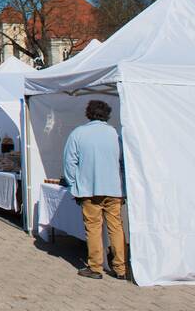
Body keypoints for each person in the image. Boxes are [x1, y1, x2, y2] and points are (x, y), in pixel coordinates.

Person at [63, 100, 127, 280]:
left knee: (93, 228)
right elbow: (123, 163)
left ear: (88, 113)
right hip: (114, 188)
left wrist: (73, 184)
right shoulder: (115, 134)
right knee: (116, 228)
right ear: (107, 114)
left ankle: (96, 267)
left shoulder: (78, 133)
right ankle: (120, 268)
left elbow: (69, 162)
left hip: (89, 189)